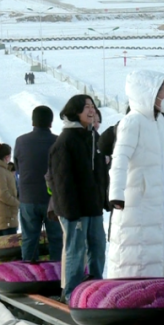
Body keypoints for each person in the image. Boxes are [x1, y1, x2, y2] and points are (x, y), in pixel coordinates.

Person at [107, 70, 164, 278]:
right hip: (138, 198)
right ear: (149, 93)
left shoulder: (158, 122)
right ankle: (132, 287)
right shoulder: (133, 122)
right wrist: (117, 193)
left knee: (159, 244)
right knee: (137, 248)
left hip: (159, 198)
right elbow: (120, 158)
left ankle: (160, 285)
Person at [47, 95, 108, 299]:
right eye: (86, 107)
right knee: (76, 249)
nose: (91, 110)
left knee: (98, 247)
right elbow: (61, 180)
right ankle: (71, 293)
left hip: (93, 206)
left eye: (92, 106)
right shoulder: (65, 141)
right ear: (75, 111)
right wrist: (69, 210)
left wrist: (103, 198)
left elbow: (101, 172)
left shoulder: (93, 137)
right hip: (74, 208)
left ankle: (95, 288)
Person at [13, 106, 62, 261]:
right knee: (56, 238)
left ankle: (29, 269)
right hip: (52, 199)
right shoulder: (58, 141)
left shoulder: (21, 141)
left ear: (33, 121)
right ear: (51, 122)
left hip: (28, 198)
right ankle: (56, 271)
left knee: (29, 238)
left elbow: (18, 168)